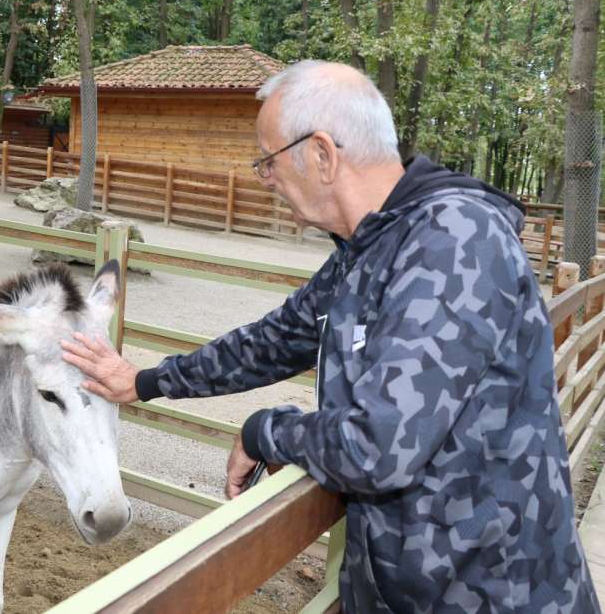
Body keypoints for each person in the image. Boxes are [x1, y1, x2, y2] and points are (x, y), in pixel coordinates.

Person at [61, 60, 601, 613]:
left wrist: (264, 431)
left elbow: (377, 447)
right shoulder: (367, 249)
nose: (264, 179)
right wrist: (144, 381)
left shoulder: (455, 241)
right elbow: (271, 341)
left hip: (496, 596)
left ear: (321, 154)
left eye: (268, 161)